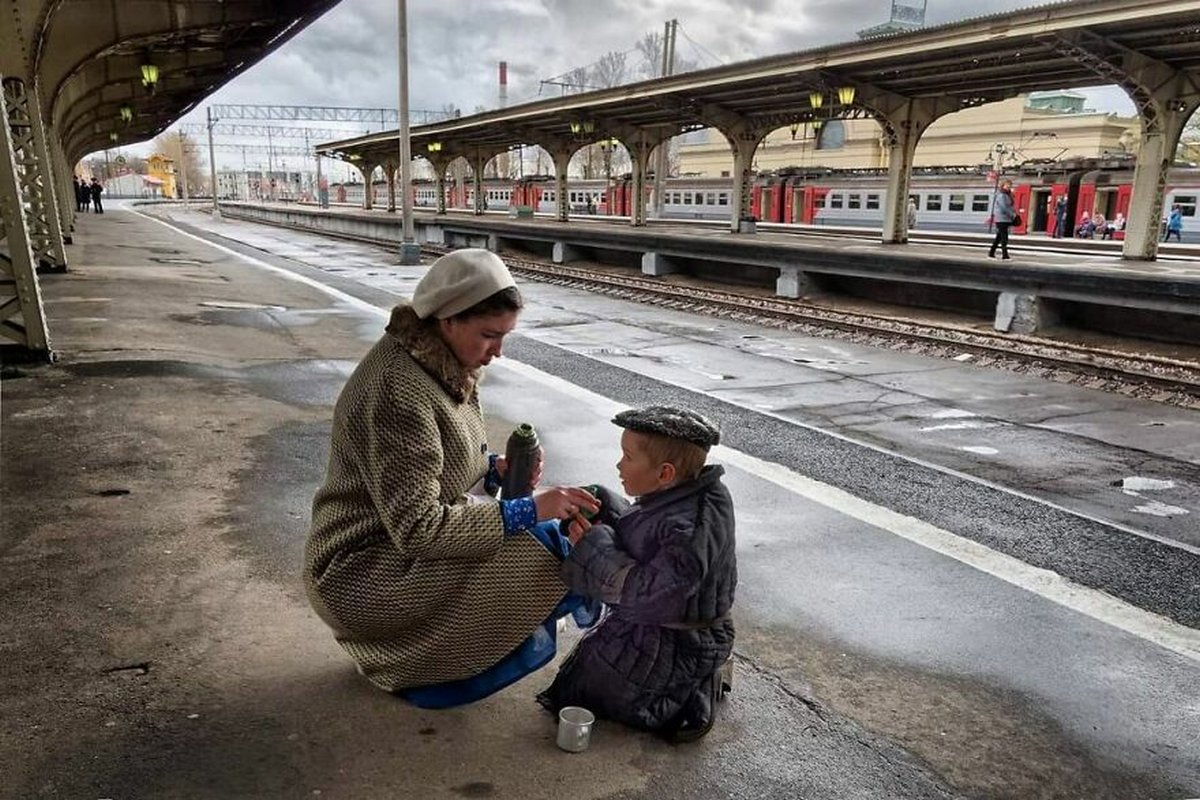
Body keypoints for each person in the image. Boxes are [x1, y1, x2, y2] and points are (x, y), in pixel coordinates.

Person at [304, 248, 600, 702]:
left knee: (541, 531)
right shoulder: (398, 392)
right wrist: (528, 508)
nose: (497, 352)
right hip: (359, 574)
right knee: (547, 553)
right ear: (448, 320)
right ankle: (415, 661)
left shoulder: (441, 364)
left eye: (504, 336)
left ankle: (434, 654)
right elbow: (420, 529)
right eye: (488, 335)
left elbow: (433, 465)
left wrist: (494, 470)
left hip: (386, 551)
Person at [537, 405, 737, 742]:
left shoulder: (693, 531)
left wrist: (593, 546)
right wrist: (603, 507)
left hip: (680, 640)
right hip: (671, 625)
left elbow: (646, 595)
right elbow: (645, 528)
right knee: (586, 675)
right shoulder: (687, 492)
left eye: (627, 457)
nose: (619, 464)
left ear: (664, 474)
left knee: (598, 689)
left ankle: (696, 688)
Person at [988, 178, 1016, 259]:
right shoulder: (1001, 195)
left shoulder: (1008, 195)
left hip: (1006, 219)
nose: (1009, 186)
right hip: (1001, 219)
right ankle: (1005, 255)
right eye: (1008, 185)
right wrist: (1012, 214)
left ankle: (991, 253)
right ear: (1003, 185)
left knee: (999, 237)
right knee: (1004, 237)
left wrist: (1013, 213)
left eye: (1010, 185)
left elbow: (1010, 206)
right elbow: (1004, 207)